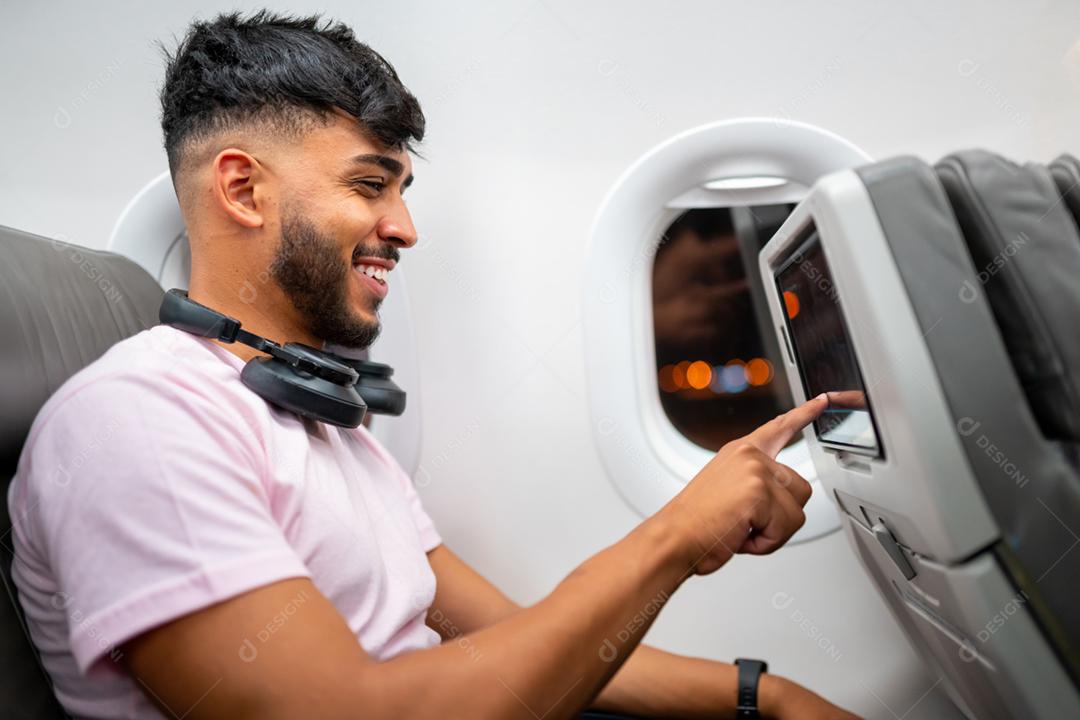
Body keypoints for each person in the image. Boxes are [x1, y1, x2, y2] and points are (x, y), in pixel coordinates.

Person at [8, 11, 859, 719]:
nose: (405, 226)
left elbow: (515, 637)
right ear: (244, 190)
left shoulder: (325, 423)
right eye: (371, 184)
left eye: (402, 189)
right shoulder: (138, 423)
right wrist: (676, 534)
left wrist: (765, 695)